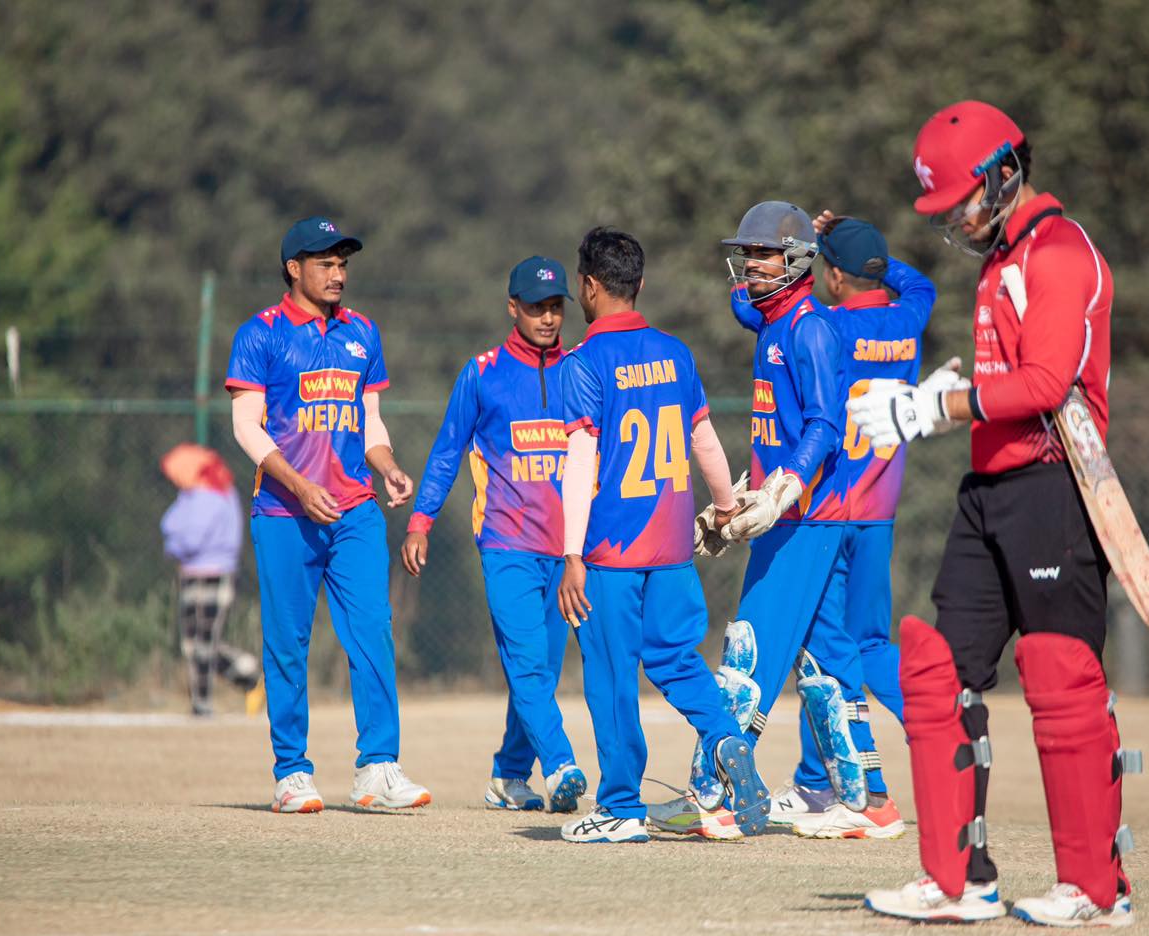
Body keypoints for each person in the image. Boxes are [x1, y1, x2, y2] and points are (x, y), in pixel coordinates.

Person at [852, 101, 1135, 927]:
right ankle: (958, 881)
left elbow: (1046, 383)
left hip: (1055, 488)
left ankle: (1097, 889)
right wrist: (946, 397)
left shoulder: (1059, 251)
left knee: (1060, 676)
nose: (957, 222)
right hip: (989, 489)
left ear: (1005, 172)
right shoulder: (1002, 257)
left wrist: (932, 410)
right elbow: (1001, 379)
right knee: (939, 670)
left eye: (962, 202)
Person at [649, 202, 891, 843]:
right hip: (800, 514)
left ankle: (716, 796)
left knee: (748, 650)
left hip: (803, 516)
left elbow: (825, 424)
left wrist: (784, 488)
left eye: (764, 254)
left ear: (800, 262)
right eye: (747, 253)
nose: (751, 265)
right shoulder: (771, 317)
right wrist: (747, 496)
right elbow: (742, 302)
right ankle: (867, 800)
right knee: (826, 658)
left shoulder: (810, 330)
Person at [556, 226, 770, 844]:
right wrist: (724, 507)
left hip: (612, 553)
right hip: (674, 548)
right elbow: (704, 439)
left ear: (588, 287)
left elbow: (581, 462)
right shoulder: (675, 353)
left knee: (611, 677)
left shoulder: (583, 362)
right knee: (676, 660)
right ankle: (725, 736)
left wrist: (571, 553)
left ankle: (620, 807)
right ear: (640, 284)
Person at [727, 215, 938, 839]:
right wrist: (869, 256)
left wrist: (806, 252)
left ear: (833, 276)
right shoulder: (908, 318)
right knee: (845, 642)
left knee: (840, 646)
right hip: (880, 509)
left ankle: (925, 729)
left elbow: (751, 309)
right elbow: (920, 284)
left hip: (828, 501)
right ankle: (829, 782)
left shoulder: (825, 324)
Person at [225, 216, 430, 814]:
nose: (338, 273)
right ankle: (292, 771)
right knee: (287, 644)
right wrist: (298, 484)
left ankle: (377, 767)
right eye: (325, 263)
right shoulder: (260, 334)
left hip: (355, 511)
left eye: (343, 263)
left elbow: (370, 421)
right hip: (284, 512)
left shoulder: (362, 331)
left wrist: (388, 466)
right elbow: (246, 426)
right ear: (294, 268)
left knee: (372, 632)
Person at [401, 256, 588, 814]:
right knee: (527, 663)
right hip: (507, 543)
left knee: (542, 670)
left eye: (555, 307)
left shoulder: (579, 369)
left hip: (567, 551)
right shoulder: (482, 373)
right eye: (535, 307)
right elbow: (446, 452)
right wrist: (420, 522)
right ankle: (560, 765)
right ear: (512, 308)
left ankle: (508, 775)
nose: (547, 318)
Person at [158, 443, 262, 716]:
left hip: (215, 575)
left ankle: (206, 701)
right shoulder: (190, 495)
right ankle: (247, 675)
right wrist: (176, 540)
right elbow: (169, 523)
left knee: (205, 644)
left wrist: (174, 545)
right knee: (192, 645)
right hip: (190, 574)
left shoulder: (213, 495)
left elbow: (188, 537)